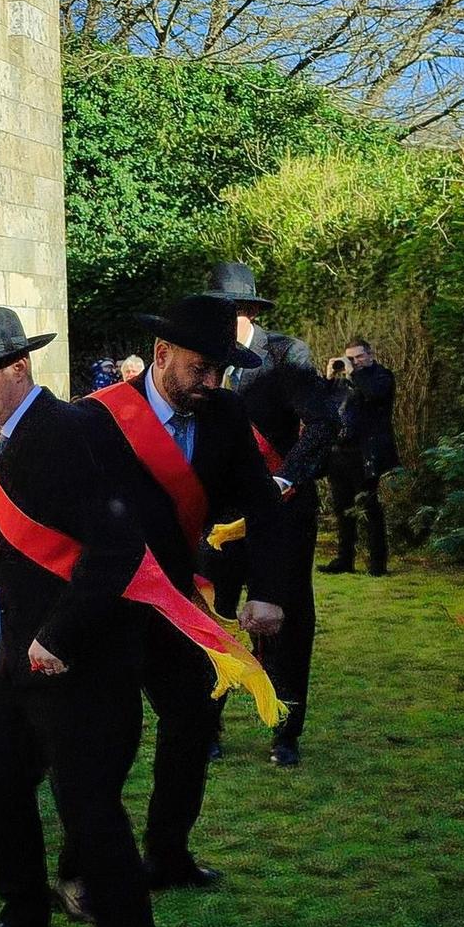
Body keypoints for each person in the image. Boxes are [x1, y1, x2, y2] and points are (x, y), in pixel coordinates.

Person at [0, 308, 164, 927]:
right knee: (0, 785)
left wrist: (60, 637)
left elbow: (117, 546)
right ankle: (24, 913)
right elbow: (9, 546)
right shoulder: (11, 437)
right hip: (19, 657)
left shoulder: (71, 430)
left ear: (18, 368)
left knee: (88, 806)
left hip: (80, 657)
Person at [85, 295, 288, 892]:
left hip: (177, 600)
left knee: (194, 721)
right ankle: (87, 867)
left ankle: (168, 854)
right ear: (161, 353)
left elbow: (261, 504)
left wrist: (269, 590)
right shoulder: (98, 419)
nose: (211, 382)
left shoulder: (225, 413)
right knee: (105, 741)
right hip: (111, 602)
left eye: (220, 370)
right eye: (200, 368)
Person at [199, 262, 339, 765]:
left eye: (232, 312)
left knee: (288, 618)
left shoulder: (284, 354)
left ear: (251, 312)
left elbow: (323, 422)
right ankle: (205, 724)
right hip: (216, 514)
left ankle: (285, 730)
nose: (223, 321)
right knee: (207, 616)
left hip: (280, 509)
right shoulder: (199, 359)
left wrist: (286, 478)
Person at [322, 336, 398, 577]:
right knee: (342, 509)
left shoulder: (382, 376)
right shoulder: (343, 381)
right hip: (340, 453)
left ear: (370, 354)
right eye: (350, 357)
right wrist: (328, 379)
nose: (354, 361)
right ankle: (345, 559)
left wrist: (354, 373)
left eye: (359, 356)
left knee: (369, 509)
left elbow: (374, 395)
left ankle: (377, 564)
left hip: (366, 454)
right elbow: (321, 406)